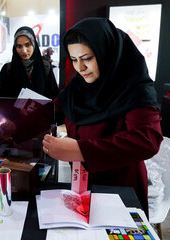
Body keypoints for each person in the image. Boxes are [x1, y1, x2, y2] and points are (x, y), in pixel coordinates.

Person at [42, 18, 163, 216]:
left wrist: (81, 150)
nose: (80, 68)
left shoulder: (134, 88)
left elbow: (147, 139)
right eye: (74, 60)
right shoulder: (76, 89)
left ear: (106, 52)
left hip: (121, 190)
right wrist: (15, 122)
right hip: (82, 186)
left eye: (87, 58)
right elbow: (51, 111)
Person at [0, 26, 58, 99]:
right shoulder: (7, 70)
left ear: (34, 44)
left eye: (28, 45)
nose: (24, 50)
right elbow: (0, 100)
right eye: (19, 46)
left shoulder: (45, 67)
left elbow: (54, 97)